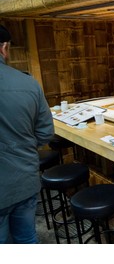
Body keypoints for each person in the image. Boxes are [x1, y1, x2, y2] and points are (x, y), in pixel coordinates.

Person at [0, 25, 54, 243]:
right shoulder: (28, 83)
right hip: (24, 179)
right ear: (4, 48)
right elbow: (45, 133)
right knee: (26, 238)